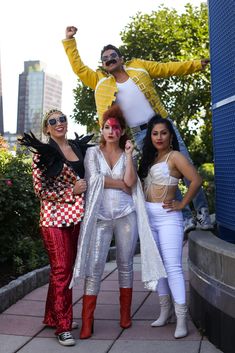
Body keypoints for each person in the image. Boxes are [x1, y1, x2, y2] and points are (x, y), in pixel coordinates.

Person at [62, 25, 213, 234]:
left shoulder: (139, 67)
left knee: (185, 165)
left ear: (121, 58)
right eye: (105, 58)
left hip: (161, 124)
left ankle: (203, 212)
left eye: (113, 55)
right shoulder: (99, 80)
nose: (110, 59)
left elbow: (167, 68)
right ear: (103, 64)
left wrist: (195, 64)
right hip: (141, 134)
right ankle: (186, 217)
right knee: (163, 175)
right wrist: (70, 41)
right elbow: (78, 68)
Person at [69, 105, 166, 339]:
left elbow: (131, 182)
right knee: (94, 267)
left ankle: (125, 315)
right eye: (106, 127)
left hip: (126, 215)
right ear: (101, 130)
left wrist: (130, 157)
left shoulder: (127, 154)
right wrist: (118, 182)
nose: (111, 131)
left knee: (126, 264)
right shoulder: (92, 153)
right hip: (100, 217)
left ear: (122, 132)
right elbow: (94, 179)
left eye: (115, 128)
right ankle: (87, 321)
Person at [18, 109, 92, 347]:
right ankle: (63, 326)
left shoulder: (78, 147)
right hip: (53, 220)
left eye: (62, 119)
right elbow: (40, 191)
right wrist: (71, 191)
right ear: (46, 129)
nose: (59, 123)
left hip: (77, 217)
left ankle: (52, 316)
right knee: (62, 271)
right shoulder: (41, 154)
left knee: (64, 270)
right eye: (53, 121)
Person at [138, 114, 202, 338]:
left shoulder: (175, 156)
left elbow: (196, 180)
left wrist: (182, 203)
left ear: (170, 136)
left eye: (163, 133)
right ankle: (165, 312)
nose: (159, 137)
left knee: (172, 266)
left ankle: (182, 317)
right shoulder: (150, 159)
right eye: (154, 133)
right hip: (149, 219)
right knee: (158, 267)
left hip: (168, 218)